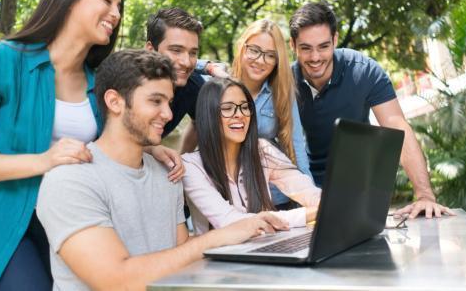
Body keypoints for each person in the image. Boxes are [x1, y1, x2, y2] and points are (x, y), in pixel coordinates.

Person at [36, 50, 287, 290]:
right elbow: (116, 282)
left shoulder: (167, 173)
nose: (168, 114)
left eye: (169, 102)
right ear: (114, 102)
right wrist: (220, 236)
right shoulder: (70, 180)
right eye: (155, 101)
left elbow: (182, 254)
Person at [0, 0, 123, 290]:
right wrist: (44, 160)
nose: (115, 13)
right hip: (3, 223)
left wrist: (155, 149)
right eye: (107, 0)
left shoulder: (101, 85)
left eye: (119, 6)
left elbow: (110, 151)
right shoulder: (0, 61)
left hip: (72, 222)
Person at [288, 1, 455, 219]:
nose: (315, 57)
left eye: (323, 46)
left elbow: (397, 128)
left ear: (335, 40)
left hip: (360, 185)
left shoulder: (364, 71)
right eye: (306, 48)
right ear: (293, 46)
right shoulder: (283, 82)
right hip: (306, 191)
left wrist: (424, 195)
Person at [182, 78, 322, 235]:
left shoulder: (262, 150)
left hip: (266, 247)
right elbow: (229, 222)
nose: (239, 115)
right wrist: (311, 213)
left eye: (244, 107)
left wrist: (329, 204)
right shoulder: (191, 166)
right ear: (208, 115)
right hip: (219, 256)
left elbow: (308, 192)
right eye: (228, 108)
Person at [230, 19, 312, 208]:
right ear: (242, 47)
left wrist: (311, 200)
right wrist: (207, 65)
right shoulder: (220, 85)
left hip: (274, 197)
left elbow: (296, 145)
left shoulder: (281, 93)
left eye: (270, 55)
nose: (260, 60)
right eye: (254, 50)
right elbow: (181, 64)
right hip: (233, 199)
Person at [145, 8, 227, 154]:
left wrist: (182, 158)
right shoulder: (127, 82)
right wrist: (149, 150)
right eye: (176, 50)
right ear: (151, 50)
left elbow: (198, 123)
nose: (187, 62)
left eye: (193, 53)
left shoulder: (194, 85)